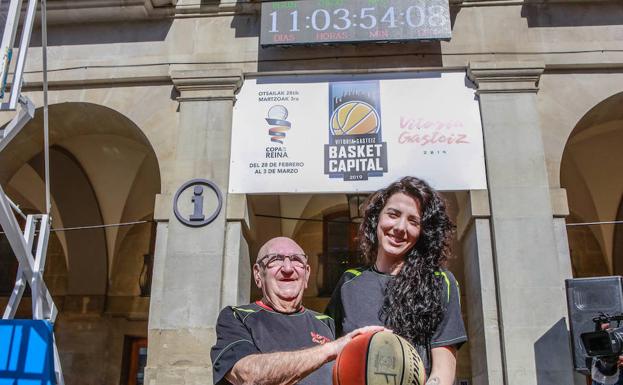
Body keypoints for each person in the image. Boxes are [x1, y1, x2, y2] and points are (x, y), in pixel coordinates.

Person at [326, 176, 467, 385]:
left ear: (423, 232)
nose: (400, 227)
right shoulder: (349, 283)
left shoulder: (440, 281)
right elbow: (329, 353)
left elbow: (443, 370)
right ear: (377, 218)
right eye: (393, 214)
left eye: (413, 221)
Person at [210, 236, 384, 385]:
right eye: (275, 259)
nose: (288, 268)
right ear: (258, 274)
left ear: (307, 274)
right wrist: (331, 349)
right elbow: (247, 375)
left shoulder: (325, 322)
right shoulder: (237, 316)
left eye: (296, 260)